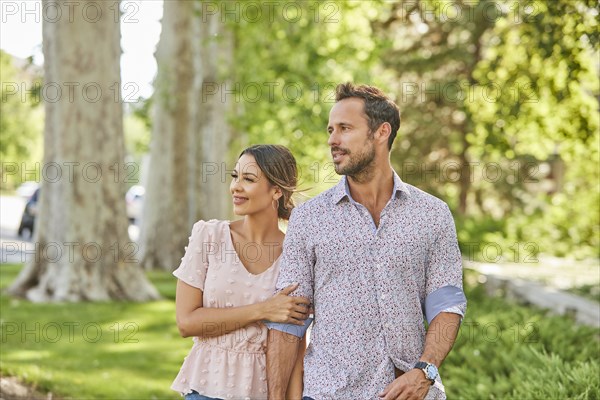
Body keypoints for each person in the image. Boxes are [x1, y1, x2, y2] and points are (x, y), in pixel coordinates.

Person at [265, 83, 467, 400]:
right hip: (330, 394)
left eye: (345, 128)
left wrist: (425, 370)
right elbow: (289, 321)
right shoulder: (309, 219)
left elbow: (446, 304)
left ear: (381, 132)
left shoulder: (432, 215)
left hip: (412, 393)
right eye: (331, 130)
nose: (332, 140)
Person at [171, 145, 311, 400]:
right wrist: (263, 310)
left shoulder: (295, 254)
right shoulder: (209, 236)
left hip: (263, 391)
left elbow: (295, 347)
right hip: (204, 388)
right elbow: (186, 322)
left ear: (277, 190)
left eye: (248, 179)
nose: (235, 186)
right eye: (235, 176)